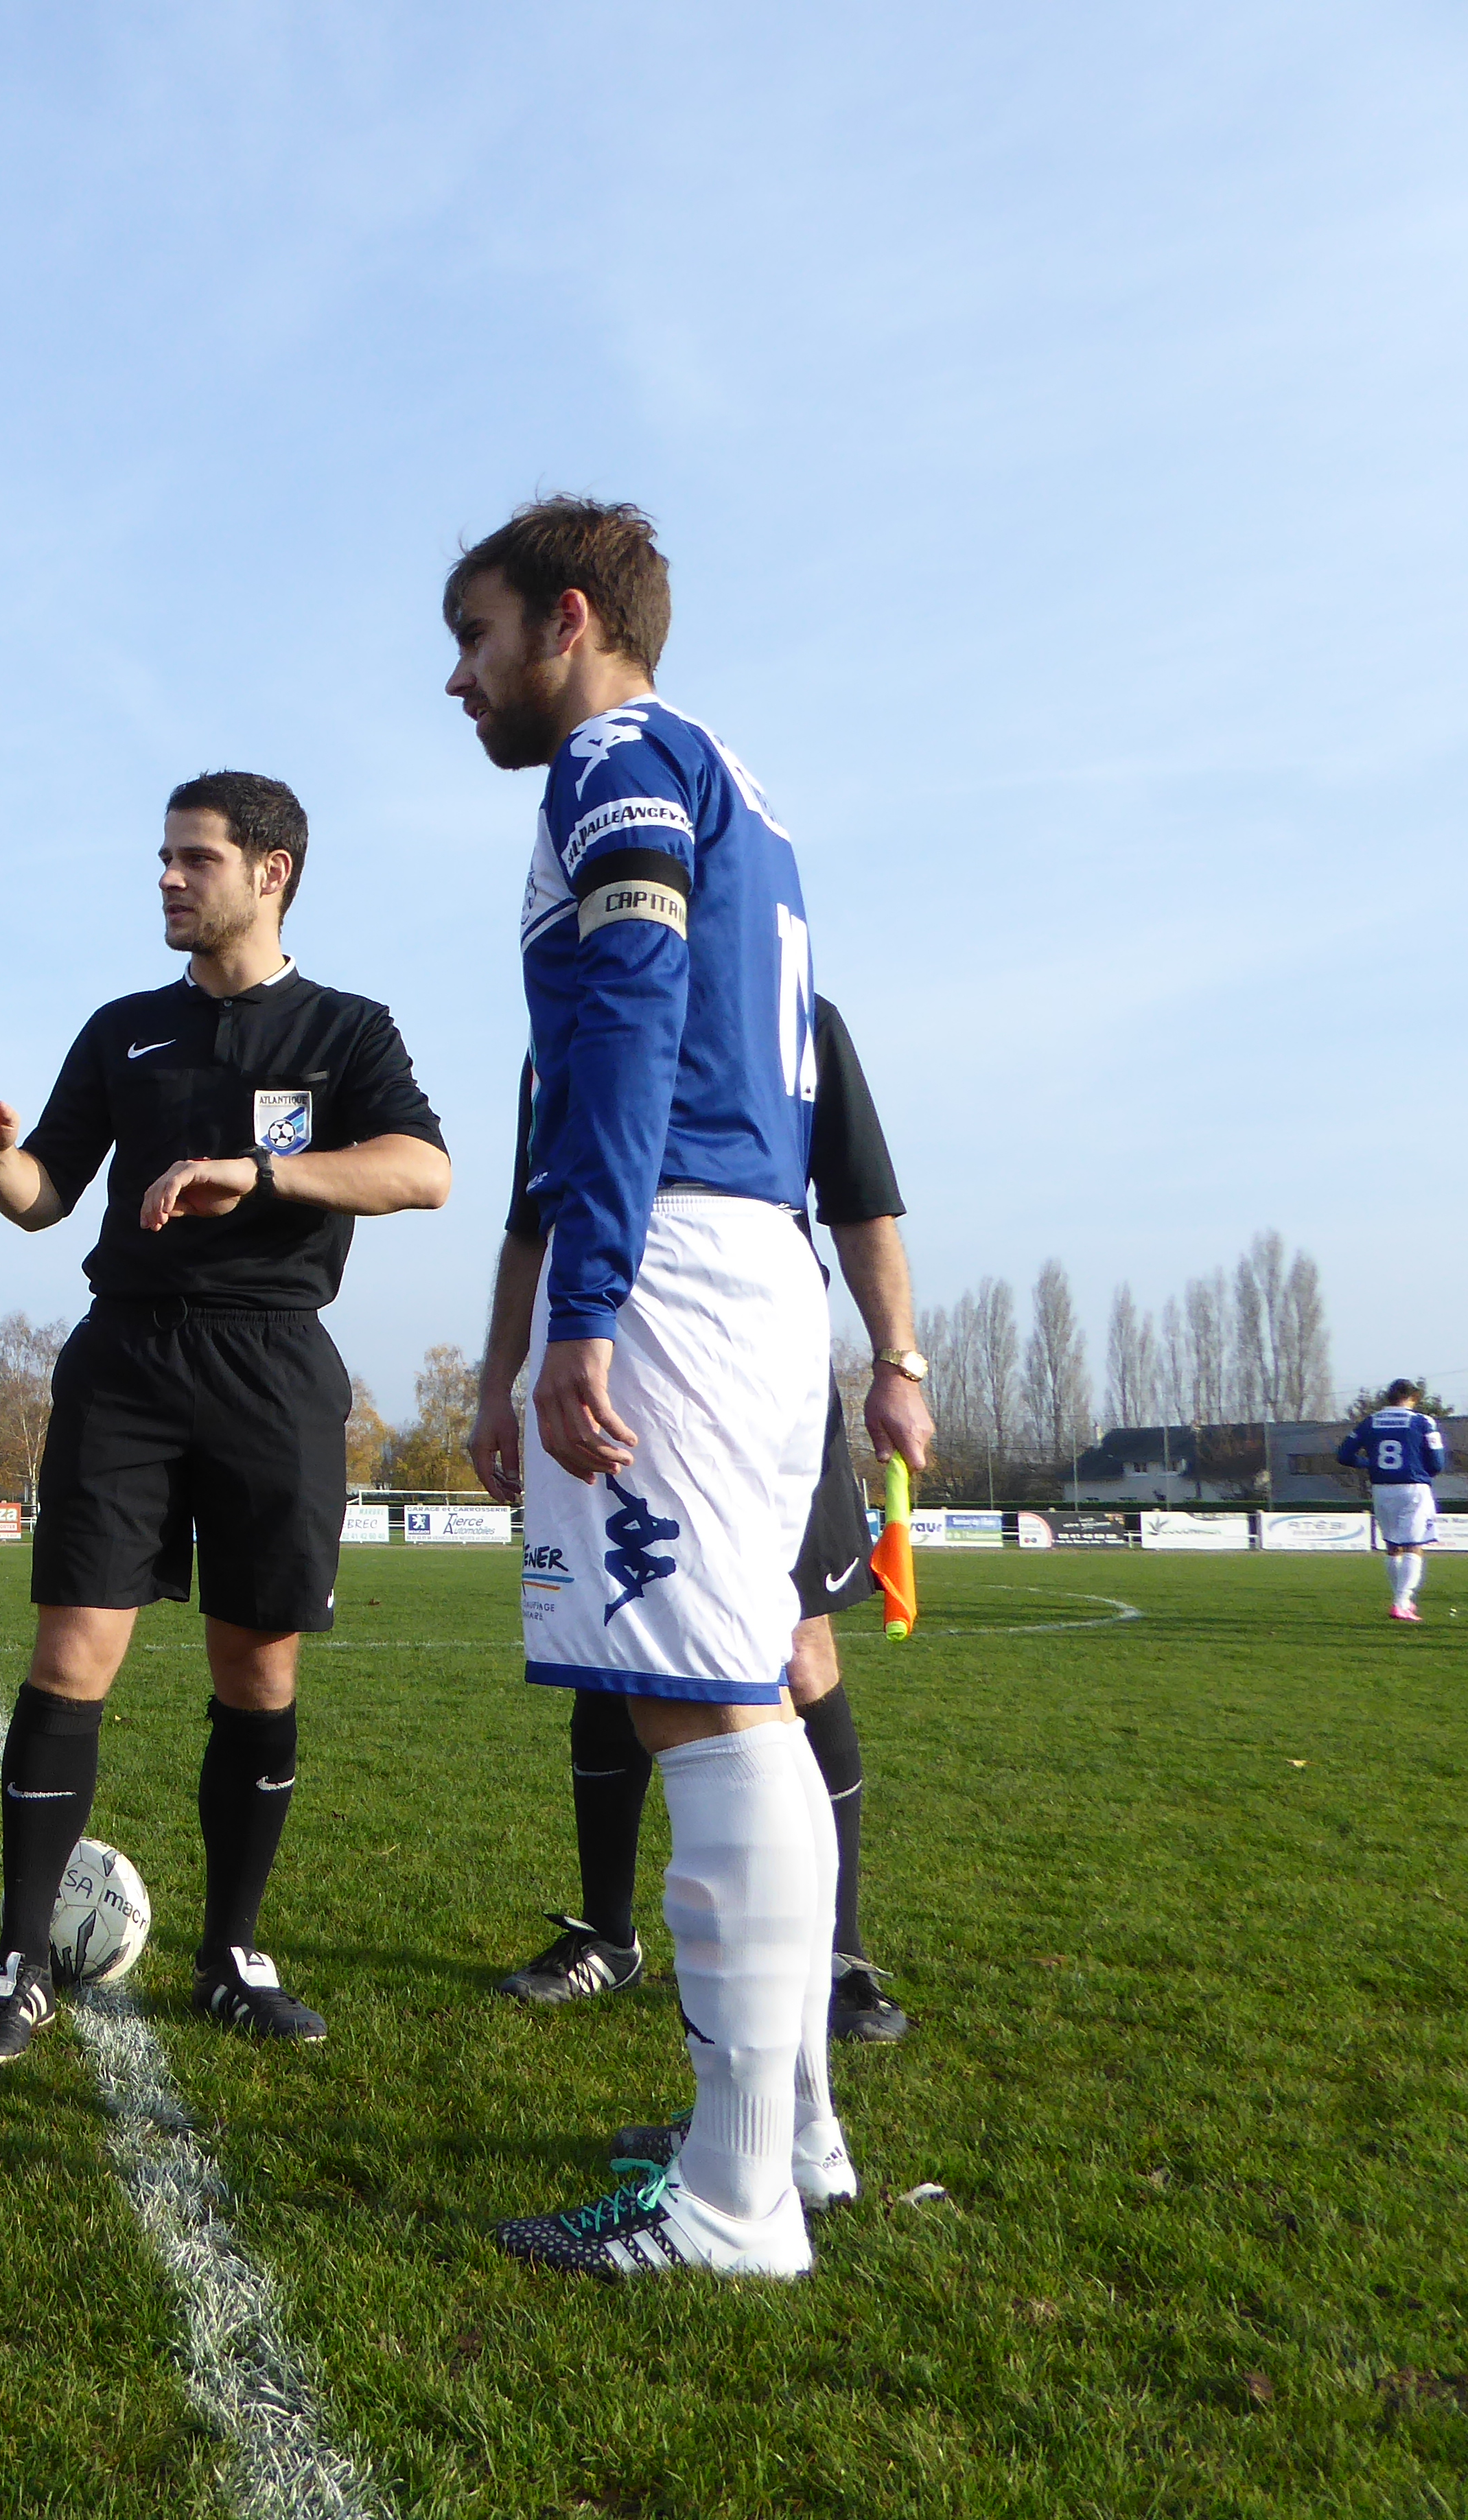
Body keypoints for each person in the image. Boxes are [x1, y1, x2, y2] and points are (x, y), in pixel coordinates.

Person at [443, 498, 843, 2280]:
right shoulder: (739, 779)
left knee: (700, 1717)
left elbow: (629, 1014)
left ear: (570, 619)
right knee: (742, 1691)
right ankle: (788, 2133)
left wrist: (580, 1307)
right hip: (758, 1258)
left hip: (673, 1260)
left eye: (477, 637)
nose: (458, 680)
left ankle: (738, 2202)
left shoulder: (612, 757)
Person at [0, 771, 450, 2065]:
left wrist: (261, 1170)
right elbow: (47, 1194)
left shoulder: (346, 1030)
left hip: (275, 1366)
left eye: (194, 859)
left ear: (269, 871)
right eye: (162, 857)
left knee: (258, 1672)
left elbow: (422, 1169)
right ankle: (14, 1959)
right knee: (71, 1657)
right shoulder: (125, 1029)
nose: (167, 878)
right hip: (128, 1364)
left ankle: (233, 1951)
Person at [472, 1000, 937, 2043]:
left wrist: (895, 1361)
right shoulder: (560, 1033)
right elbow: (531, 1226)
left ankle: (836, 1949)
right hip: (600, 1363)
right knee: (611, 1638)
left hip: (752, 1363)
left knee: (797, 1646)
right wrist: (496, 1381)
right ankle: (607, 1932)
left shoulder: (794, 1017)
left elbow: (863, 1201)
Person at [1338, 1382, 1447, 1620]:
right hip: (1413, 1488)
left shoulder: (1370, 1422)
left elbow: (1344, 1455)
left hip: (1381, 1489)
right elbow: (1437, 1462)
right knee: (1413, 1545)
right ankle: (1401, 1603)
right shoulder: (1423, 1421)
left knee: (1393, 1547)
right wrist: (1424, 1471)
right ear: (1413, 1398)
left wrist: (1369, 1464)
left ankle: (1403, 1601)